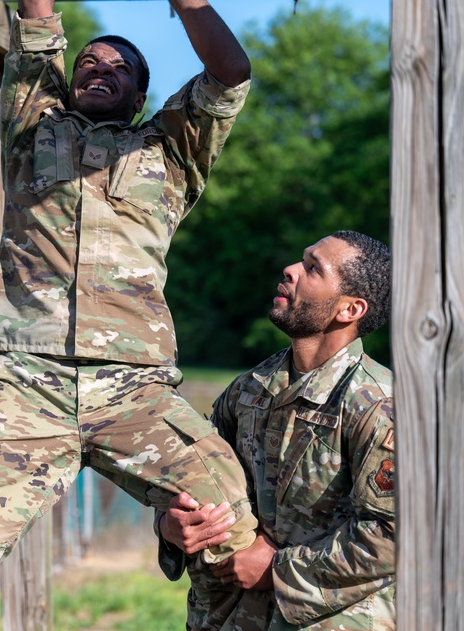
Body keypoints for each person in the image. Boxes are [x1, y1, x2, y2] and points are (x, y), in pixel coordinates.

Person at [0, 0, 259, 628]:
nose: (100, 68)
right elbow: (36, 11)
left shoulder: (169, 149)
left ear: (142, 92)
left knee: (227, 521)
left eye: (118, 67)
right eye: (88, 62)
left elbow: (230, 70)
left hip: (133, 388)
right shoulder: (34, 129)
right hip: (29, 386)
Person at [156, 231, 396, 631]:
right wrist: (170, 527)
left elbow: (393, 536)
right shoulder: (247, 391)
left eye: (313, 268)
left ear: (350, 309)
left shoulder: (378, 406)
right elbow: (197, 483)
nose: (291, 269)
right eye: (301, 259)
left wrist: (278, 570)